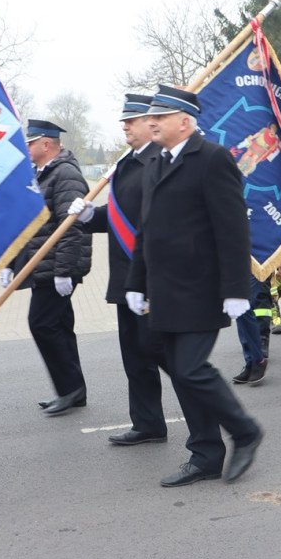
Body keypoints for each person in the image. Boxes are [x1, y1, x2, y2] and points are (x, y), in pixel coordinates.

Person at [125, 84, 263, 487]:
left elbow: (234, 229)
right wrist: (137, 281)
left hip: (203, 288)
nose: (151, 122)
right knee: (180, 371)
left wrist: (237, 289)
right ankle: (205, 453)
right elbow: (145, 231)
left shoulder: (213, 159)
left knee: (190, 368)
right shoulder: (155, 163)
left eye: (160, 117)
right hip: (165, 290)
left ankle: (245, 431)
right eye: (150, 116)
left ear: (184, 122)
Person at [68, 95, 169, 444]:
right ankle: (148, 423)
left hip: (152, 278)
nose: (125, 126)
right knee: (136, 355)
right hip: (125, 277)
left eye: (132, 120)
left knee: (166, 355)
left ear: (150, 122)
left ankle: (212, 409)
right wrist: (88, 217)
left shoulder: (160, 162)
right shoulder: (125, 164)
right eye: (124, 121)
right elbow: (117, 216)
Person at [7, 120, 92, 416]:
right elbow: (26, 223)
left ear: (46, 144)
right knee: (59, 327)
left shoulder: (66, 174)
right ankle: (74, 391)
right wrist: (10, 264)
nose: (26, 148)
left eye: (30, 143)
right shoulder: (39, 174)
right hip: (44, 266)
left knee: (41, 324)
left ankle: (68, 389)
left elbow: (72, 228)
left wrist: (64, 271)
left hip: (57, 267)